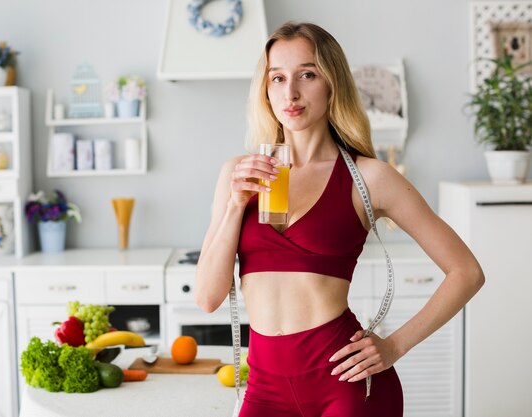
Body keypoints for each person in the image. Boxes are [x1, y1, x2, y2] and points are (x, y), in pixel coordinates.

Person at [195, 21, 484, 417]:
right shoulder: (239, 174)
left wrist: (395, 345)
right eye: (277, 77)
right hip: (264, 389)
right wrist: (234, 205)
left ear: (332, 83)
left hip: (344, 385)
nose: (290, 92)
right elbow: (208, 298)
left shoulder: (369, 178)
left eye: (307, 74)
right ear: (265, 88)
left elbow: (466, 272)